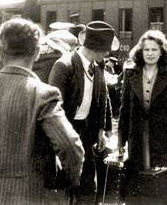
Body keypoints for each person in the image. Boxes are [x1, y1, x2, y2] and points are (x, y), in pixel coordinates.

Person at [0, 18, 84, 204]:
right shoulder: (43, 95)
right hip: (25, 196)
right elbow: (71, 149)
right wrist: (66, 182)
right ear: (37, 52)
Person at [118, 30, 167, 199]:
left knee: (162, 184)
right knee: (138, 181)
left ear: (162, 51)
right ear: (140, 52)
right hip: (137, 135)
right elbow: (124, 108)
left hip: (164, 136)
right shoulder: (130, 72)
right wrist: (121, 140)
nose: (150, 53)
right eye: (146, 50)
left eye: (154, 50)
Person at [49, 21, 114, 204]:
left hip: (87, 132)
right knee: (66, 185)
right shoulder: (64, 66)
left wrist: (102, 128)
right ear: (97, 48)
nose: (108, 54)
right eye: (106, 50)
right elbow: (54, 107)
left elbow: (103, 98)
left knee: (87, 184)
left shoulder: (98, 66)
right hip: (66, 132)